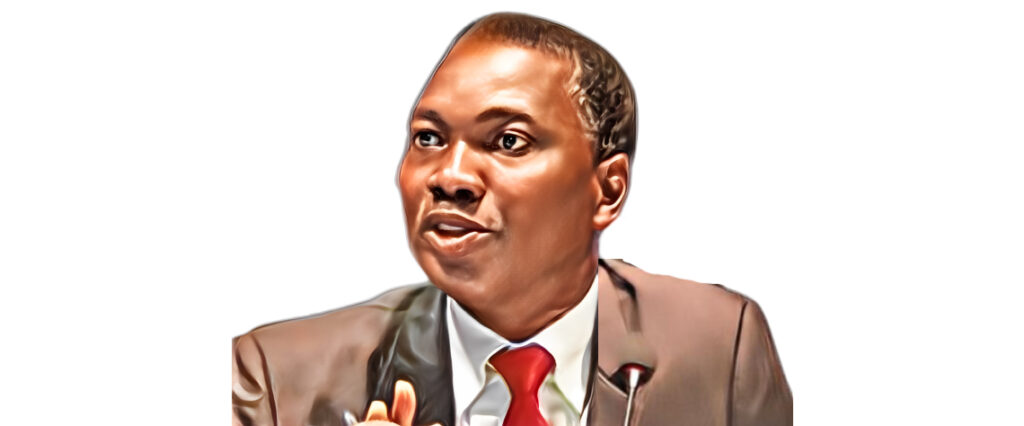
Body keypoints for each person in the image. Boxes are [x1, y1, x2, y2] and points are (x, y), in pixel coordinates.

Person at [232, 12, 791, 426]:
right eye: (428, 138)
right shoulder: (278, 381)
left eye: (507, 141)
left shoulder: (720, 349)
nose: (449, 176)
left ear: (607, 189)